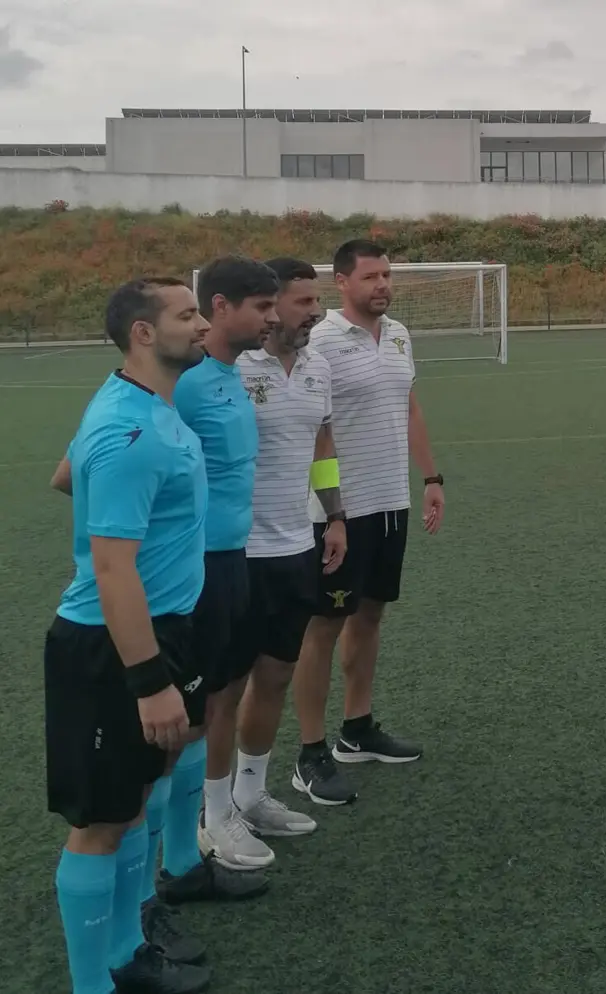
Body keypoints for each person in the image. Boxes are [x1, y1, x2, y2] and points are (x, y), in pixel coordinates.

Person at [44, 278, 212, 994]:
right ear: (143, 333)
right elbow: (112, 569)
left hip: (163, 628)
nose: (202, 325)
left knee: (135, 799)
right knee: (100, 823)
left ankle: (125, 953)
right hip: (109, 649)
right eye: (187, 315)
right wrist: (148, 683)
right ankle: (94, 985)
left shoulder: (144, 402)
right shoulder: (128, 432)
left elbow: (64, 476)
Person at [291, 239, 444, 806]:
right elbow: (315, 427)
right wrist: (333, 510)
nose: (382, 285)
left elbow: (409, 407)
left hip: (390, 503)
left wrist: (431, 478)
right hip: (338, 512)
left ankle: (356, 729)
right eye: (370, 276)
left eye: (387, 275)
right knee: (323, 625)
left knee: (370, 615)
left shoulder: (399, 334)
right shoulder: (321, 340)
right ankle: (310, 752)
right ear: (341, 282)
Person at [229, 257, 347, 848]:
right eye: (304, 302)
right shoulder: (228, 366)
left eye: (316, 300)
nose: (316, 312)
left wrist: (335, 515)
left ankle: (250, 795)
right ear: (269, 305)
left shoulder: (318, 367)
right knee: (224, 688)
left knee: (275, 675)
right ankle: (212, 812)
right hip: (234, 553)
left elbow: (322, 443)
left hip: (296, 545)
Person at [172, 255, 281, 873]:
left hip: (235, 558)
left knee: (228, 689)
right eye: (262, 307)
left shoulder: (231, 373)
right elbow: (81, 472)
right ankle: (204, 825)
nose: (272, 318)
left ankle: (220, 809)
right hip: (198, 568)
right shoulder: (185, 382)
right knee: (201, 705)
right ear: (220, 306)